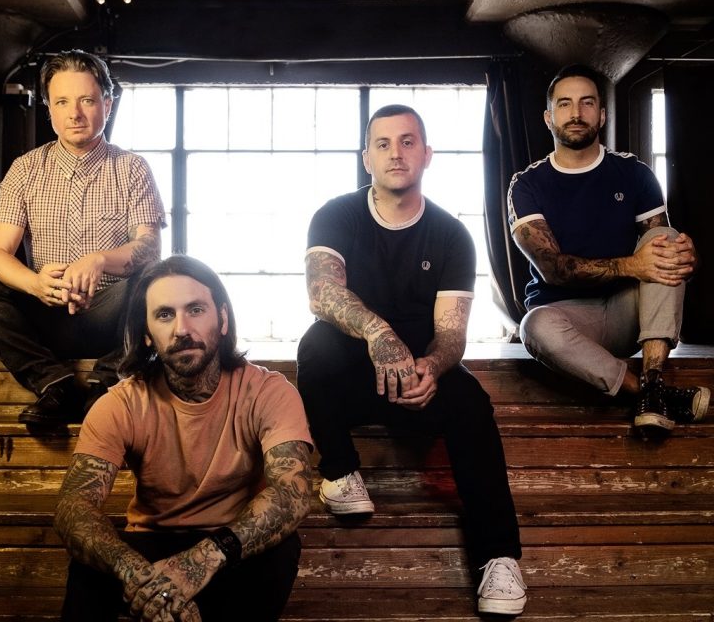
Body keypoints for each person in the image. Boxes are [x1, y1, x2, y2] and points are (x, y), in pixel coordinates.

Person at [296, 104, 527, 616]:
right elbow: (321, 293)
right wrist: (379, 332)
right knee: (315, 347)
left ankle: (499, 557)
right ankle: (339, 471)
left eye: (407, 142)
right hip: (353, 379)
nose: (395, 153)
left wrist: (434, 368)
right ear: (366, 158)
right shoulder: (336, 215)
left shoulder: (451, 235)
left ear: (427, 154)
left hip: (419, 380)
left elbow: (452, 333)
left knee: (472, 403)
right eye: (383, 143)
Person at [54, 255, 313, 622]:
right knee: (89, 563)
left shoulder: (269, 392)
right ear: (146, 333)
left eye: (195, 309)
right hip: (149, 548)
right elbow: (73, 508)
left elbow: (292, 494)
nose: (181, 328)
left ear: (222, 319)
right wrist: (141, 577)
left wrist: (199, 562)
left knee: (280, 548)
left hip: (230, 545)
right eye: (164, 315)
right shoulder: (120, 404)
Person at [0, 49, 165, 428]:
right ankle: (54, 383)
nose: (74, 114)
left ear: (107, 104)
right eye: (62, 102)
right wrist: (35, 284)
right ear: (49, 109)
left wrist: (100, 259)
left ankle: (106, 383)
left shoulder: (132, 168)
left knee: (158, 278)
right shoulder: (25, 169)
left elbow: (149, 248)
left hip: (112, 319)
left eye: (87, 100)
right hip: (45, 315)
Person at [507, 63, 709, 435]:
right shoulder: (527, 184)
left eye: (587, 103)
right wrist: (632, 265)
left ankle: (653, 375)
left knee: (665, 239)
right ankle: (647, 394)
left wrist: (685, 259)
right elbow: (554, 269)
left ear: (601, 115)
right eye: (565, 104)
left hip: (626, 314)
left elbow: (661, 252)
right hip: (566, 320)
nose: (576, 113)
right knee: (534, 325)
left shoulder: (633, 173)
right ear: (549, 118)